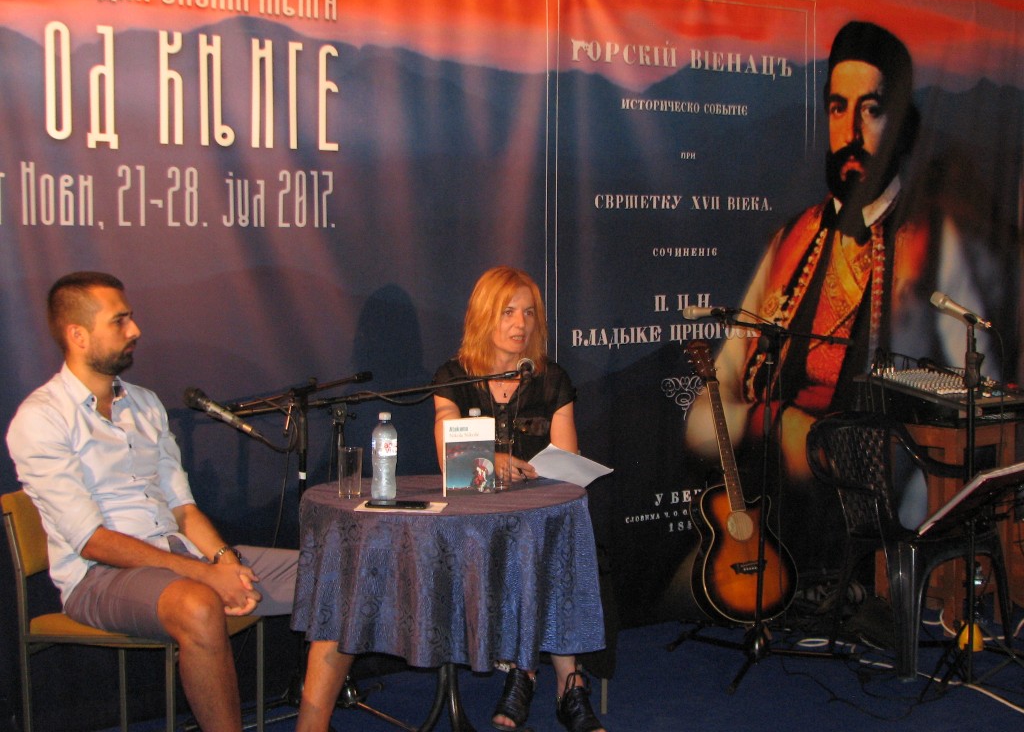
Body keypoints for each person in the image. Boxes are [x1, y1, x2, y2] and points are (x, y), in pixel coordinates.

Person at [683, 21, 994, 570]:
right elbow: (709, 407)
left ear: (901, 126)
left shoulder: (934, 242)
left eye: (871, 110)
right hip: (774, 513)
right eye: (837, 108)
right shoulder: (792, 240)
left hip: (883, 517)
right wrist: (770, 421)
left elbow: (977, 405)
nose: (850, 132)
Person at [5, 271, 352, 732]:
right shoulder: (41, 419)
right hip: (97, 577)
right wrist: (206, 575)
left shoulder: (145, 404)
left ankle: (312, 726)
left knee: (342, 575)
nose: (135, 330)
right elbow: (91, 541)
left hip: (181, 558)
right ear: (78, 335)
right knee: (199, 604)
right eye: (120, 321)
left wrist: (223, 561)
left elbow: (183, 509)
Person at [432, 266, 606, 732]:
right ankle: (544, 675)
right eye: (507, 312)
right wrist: (492, 460)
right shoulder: (454, 376)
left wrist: (533, 474)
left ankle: (553, 678)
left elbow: (566, 461)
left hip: (539, 509)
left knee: (549, 533)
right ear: (483, 315)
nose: (520, 323)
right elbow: (450, 457)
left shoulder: (552, 379)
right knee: (529, 543)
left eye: (529, 313)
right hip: (478, 516)